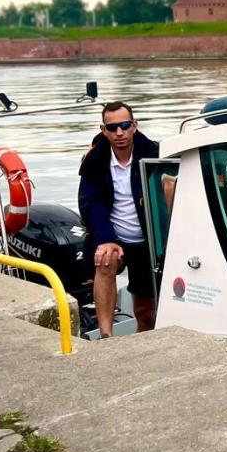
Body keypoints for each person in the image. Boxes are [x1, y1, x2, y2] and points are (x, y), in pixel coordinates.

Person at [78, 101, 160, 337]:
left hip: (147, 242)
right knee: (105, 259)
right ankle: (106, 336)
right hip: (113, 237)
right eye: (112, 128)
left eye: (125, 125)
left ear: (134, 126)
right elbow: (90, 204)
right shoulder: (94, 162)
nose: (119, 133)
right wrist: (105, 239)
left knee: (146, 314)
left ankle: (143, 341)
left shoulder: (155, 155)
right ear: (104, 130)